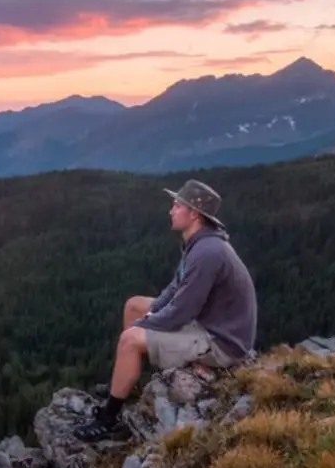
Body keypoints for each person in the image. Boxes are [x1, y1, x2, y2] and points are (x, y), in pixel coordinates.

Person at [73, 179, 258, 442]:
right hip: (210, 325)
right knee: (134, 305)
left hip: (221, 343)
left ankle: (108, 418)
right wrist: (149, 314)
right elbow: (173, 291)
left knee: (130, 338)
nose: (170, 211)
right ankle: (127, 384)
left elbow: (181, 311)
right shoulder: (199, 244)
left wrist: (148, 324)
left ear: (194, 213)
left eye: (176, 205)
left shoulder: (207, 253)